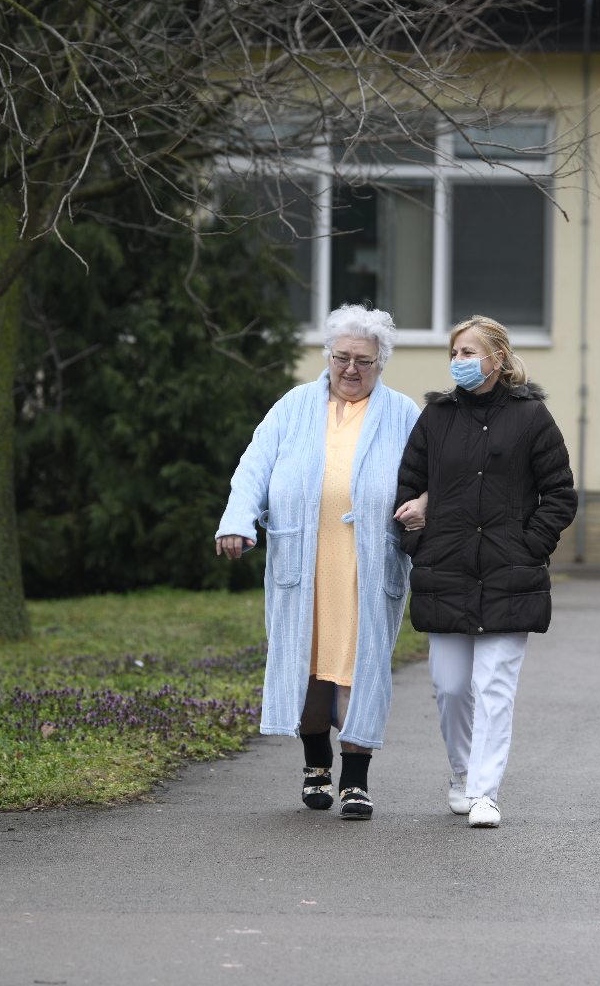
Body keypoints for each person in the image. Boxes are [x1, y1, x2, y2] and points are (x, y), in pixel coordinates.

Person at [215, 304, 419, 820]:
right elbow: (254, 466)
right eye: (342, 357)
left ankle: (355, 782)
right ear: (327, 356)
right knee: (307, 665)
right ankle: (315, 766)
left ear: (381, 363)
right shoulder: (294, 406)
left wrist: (427, 505)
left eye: (364, 361)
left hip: (368, 565)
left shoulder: (403, 413)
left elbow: (434, 475)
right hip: (304, 559)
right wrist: (238, 520)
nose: (351, 369)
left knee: (358, 667)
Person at [392, 315, 577, 828]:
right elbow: (407, 488)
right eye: (454, 353)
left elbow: (560, 494)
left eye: (470, 353)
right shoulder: (436, 418)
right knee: (451, 686)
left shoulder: (532, 416)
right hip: (446, 570)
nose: (460, 362)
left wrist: (530, 545)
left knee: (495, 684)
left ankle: (484, 792)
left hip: (508, 573)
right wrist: (417, 539)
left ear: (497, 358)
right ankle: (461, 774)